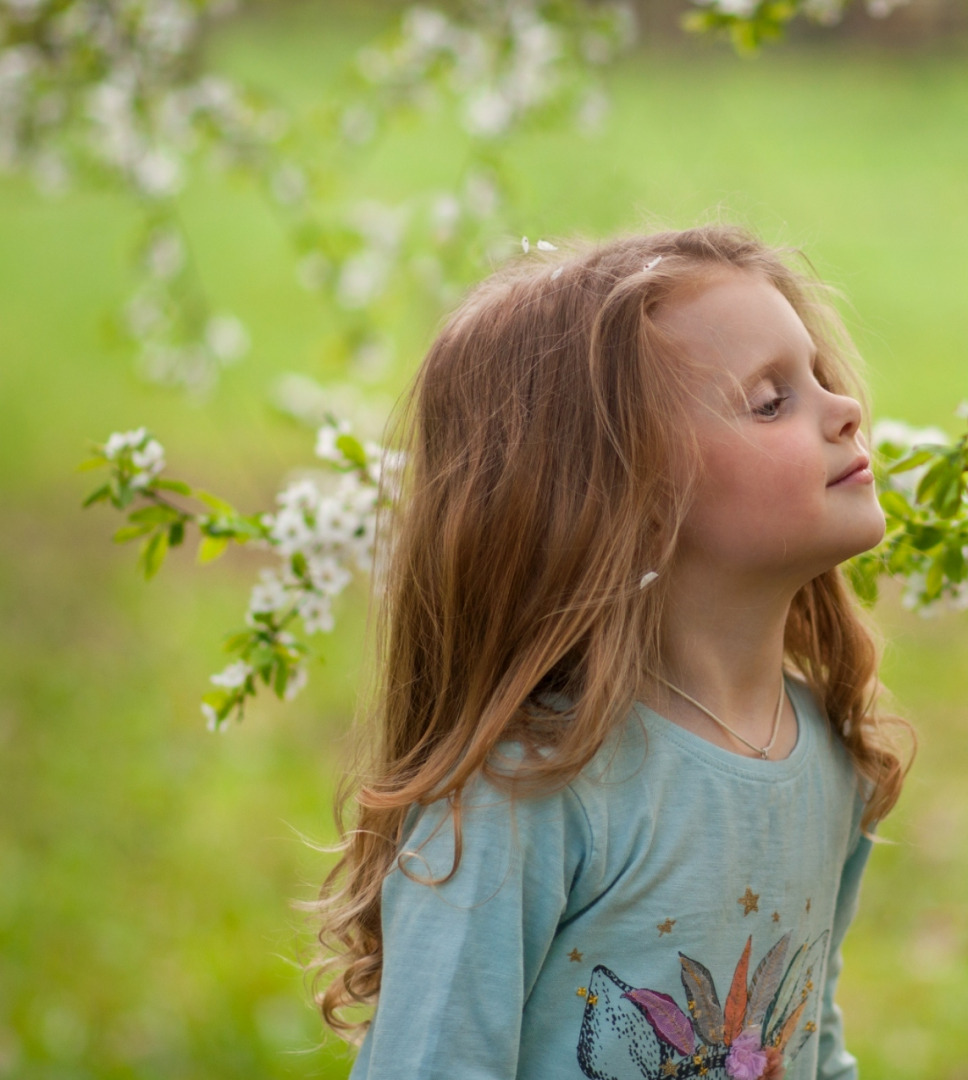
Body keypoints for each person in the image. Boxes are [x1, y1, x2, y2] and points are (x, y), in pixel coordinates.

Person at [304, 222, 915, 1080]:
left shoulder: (828, 757)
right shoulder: (525, 795)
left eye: (818, 374)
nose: (845, 407)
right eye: (772, 401)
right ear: (617, 496)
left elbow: (809, 1045)